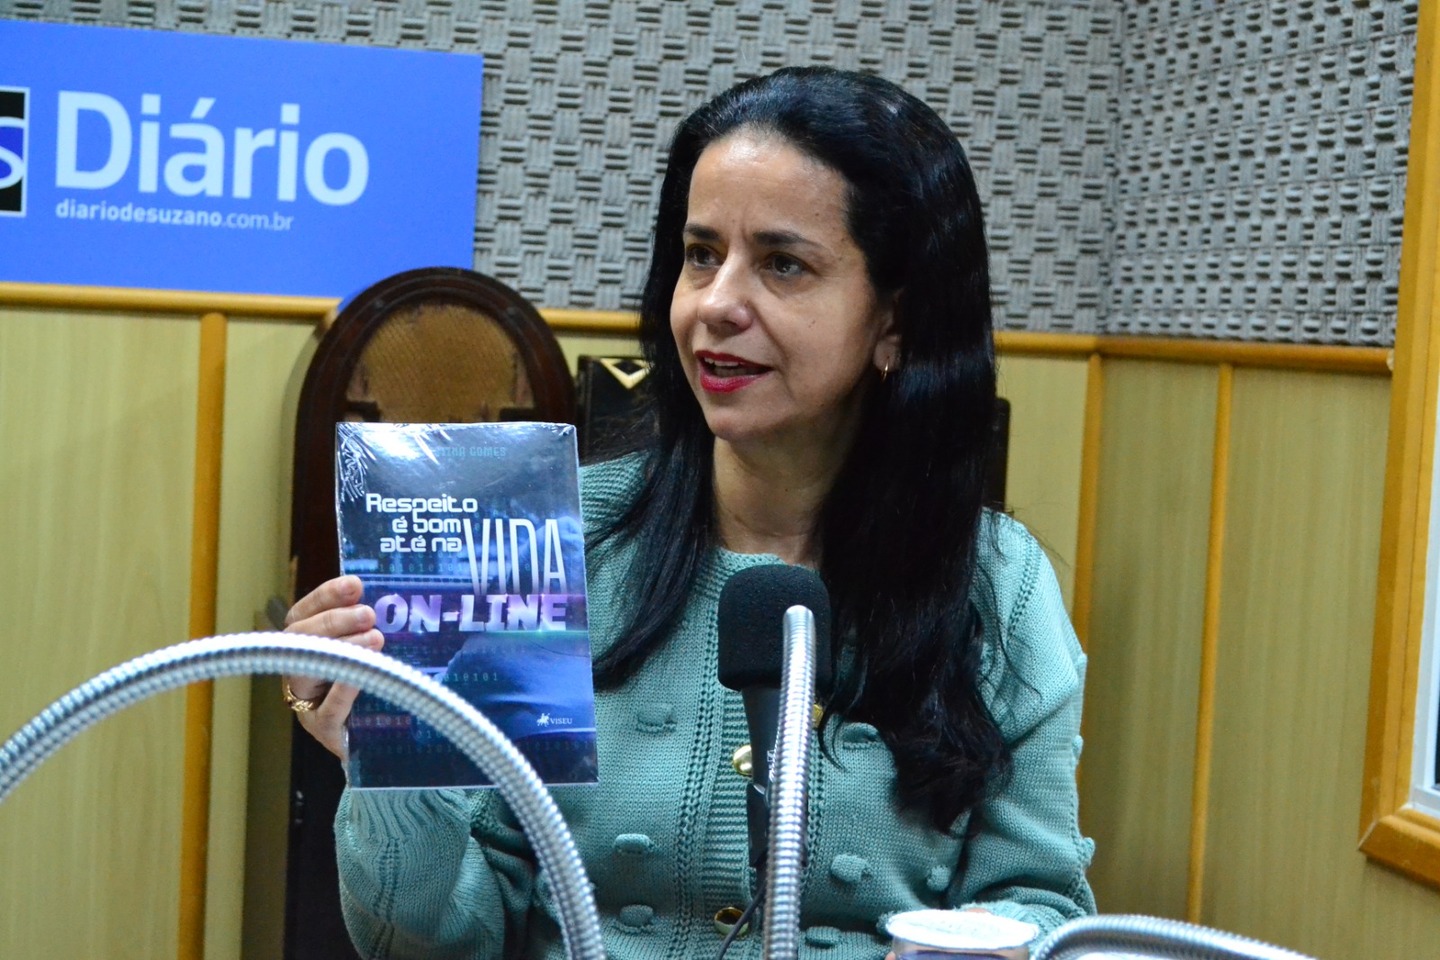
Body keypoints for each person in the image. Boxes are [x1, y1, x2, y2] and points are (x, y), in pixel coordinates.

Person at [283, 65, 1095, 960]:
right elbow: (429, 941)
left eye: (782, 264)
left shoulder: (998, 586)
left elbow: (1039, 900)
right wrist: (387, 768)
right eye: (702, 255)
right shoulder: (554, 539)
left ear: (894, 322)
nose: (715, 304)